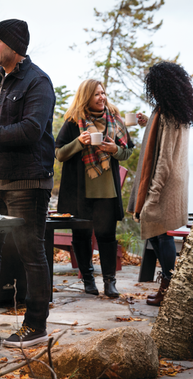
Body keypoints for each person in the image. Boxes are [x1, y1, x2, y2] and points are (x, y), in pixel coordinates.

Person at [0, 19, 55, 348]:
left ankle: (36, 325)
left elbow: (30, 130)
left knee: (31, 252)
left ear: (14, 47)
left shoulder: (38, 82)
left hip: (28, 183)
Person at [127, 61, 193, 306]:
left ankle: (169, 286)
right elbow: (164, 142)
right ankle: (168, 284)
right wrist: (148, 122)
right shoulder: (175, 110)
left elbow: (164, 159)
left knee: (161, 233)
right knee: (159, 232)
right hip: (177, 179)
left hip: (166, 181)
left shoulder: (169, 113)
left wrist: (154, 194)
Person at [56, 79, 134, 298]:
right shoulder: (73, 121)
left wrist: (114, 150)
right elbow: (60, 153)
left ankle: (110, 282)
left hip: (107, 192)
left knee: (107, 237)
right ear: (86, 97)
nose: (102, 97)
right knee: (81, 237)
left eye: (103, 93)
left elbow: (127, 152)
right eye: (97, 94)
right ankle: (88, 280)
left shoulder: (116, 120)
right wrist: (79, 142)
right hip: (80, 192)